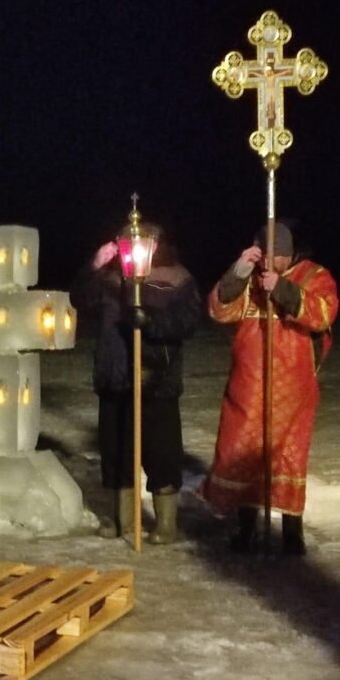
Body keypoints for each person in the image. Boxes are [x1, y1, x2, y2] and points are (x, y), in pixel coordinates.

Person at [201, 222, 338, 555]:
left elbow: (322, 313)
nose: (267, 265)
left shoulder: (314, 274)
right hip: (248, 386)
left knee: (288, 457)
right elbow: (220, 310)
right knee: (244, 454)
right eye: (264, 257)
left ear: (287, 255)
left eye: (274, 258)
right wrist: (238, 272)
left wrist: (283, 289)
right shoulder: (251, 276)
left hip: (293, 388)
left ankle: (292, 531)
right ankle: (246, 527)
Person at [70, 226, 202, 543]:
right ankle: (123, 519)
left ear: (155, 245)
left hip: (156, 380)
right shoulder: (108, 277)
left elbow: (189, 320)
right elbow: (79, 299)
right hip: (115, 378)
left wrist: (152, 324)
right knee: (117, 452)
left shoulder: (174, 276)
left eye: (141, 243)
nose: (133, 248)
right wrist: (94, 265)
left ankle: (166, 524)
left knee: (161, 452)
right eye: (127, 243)